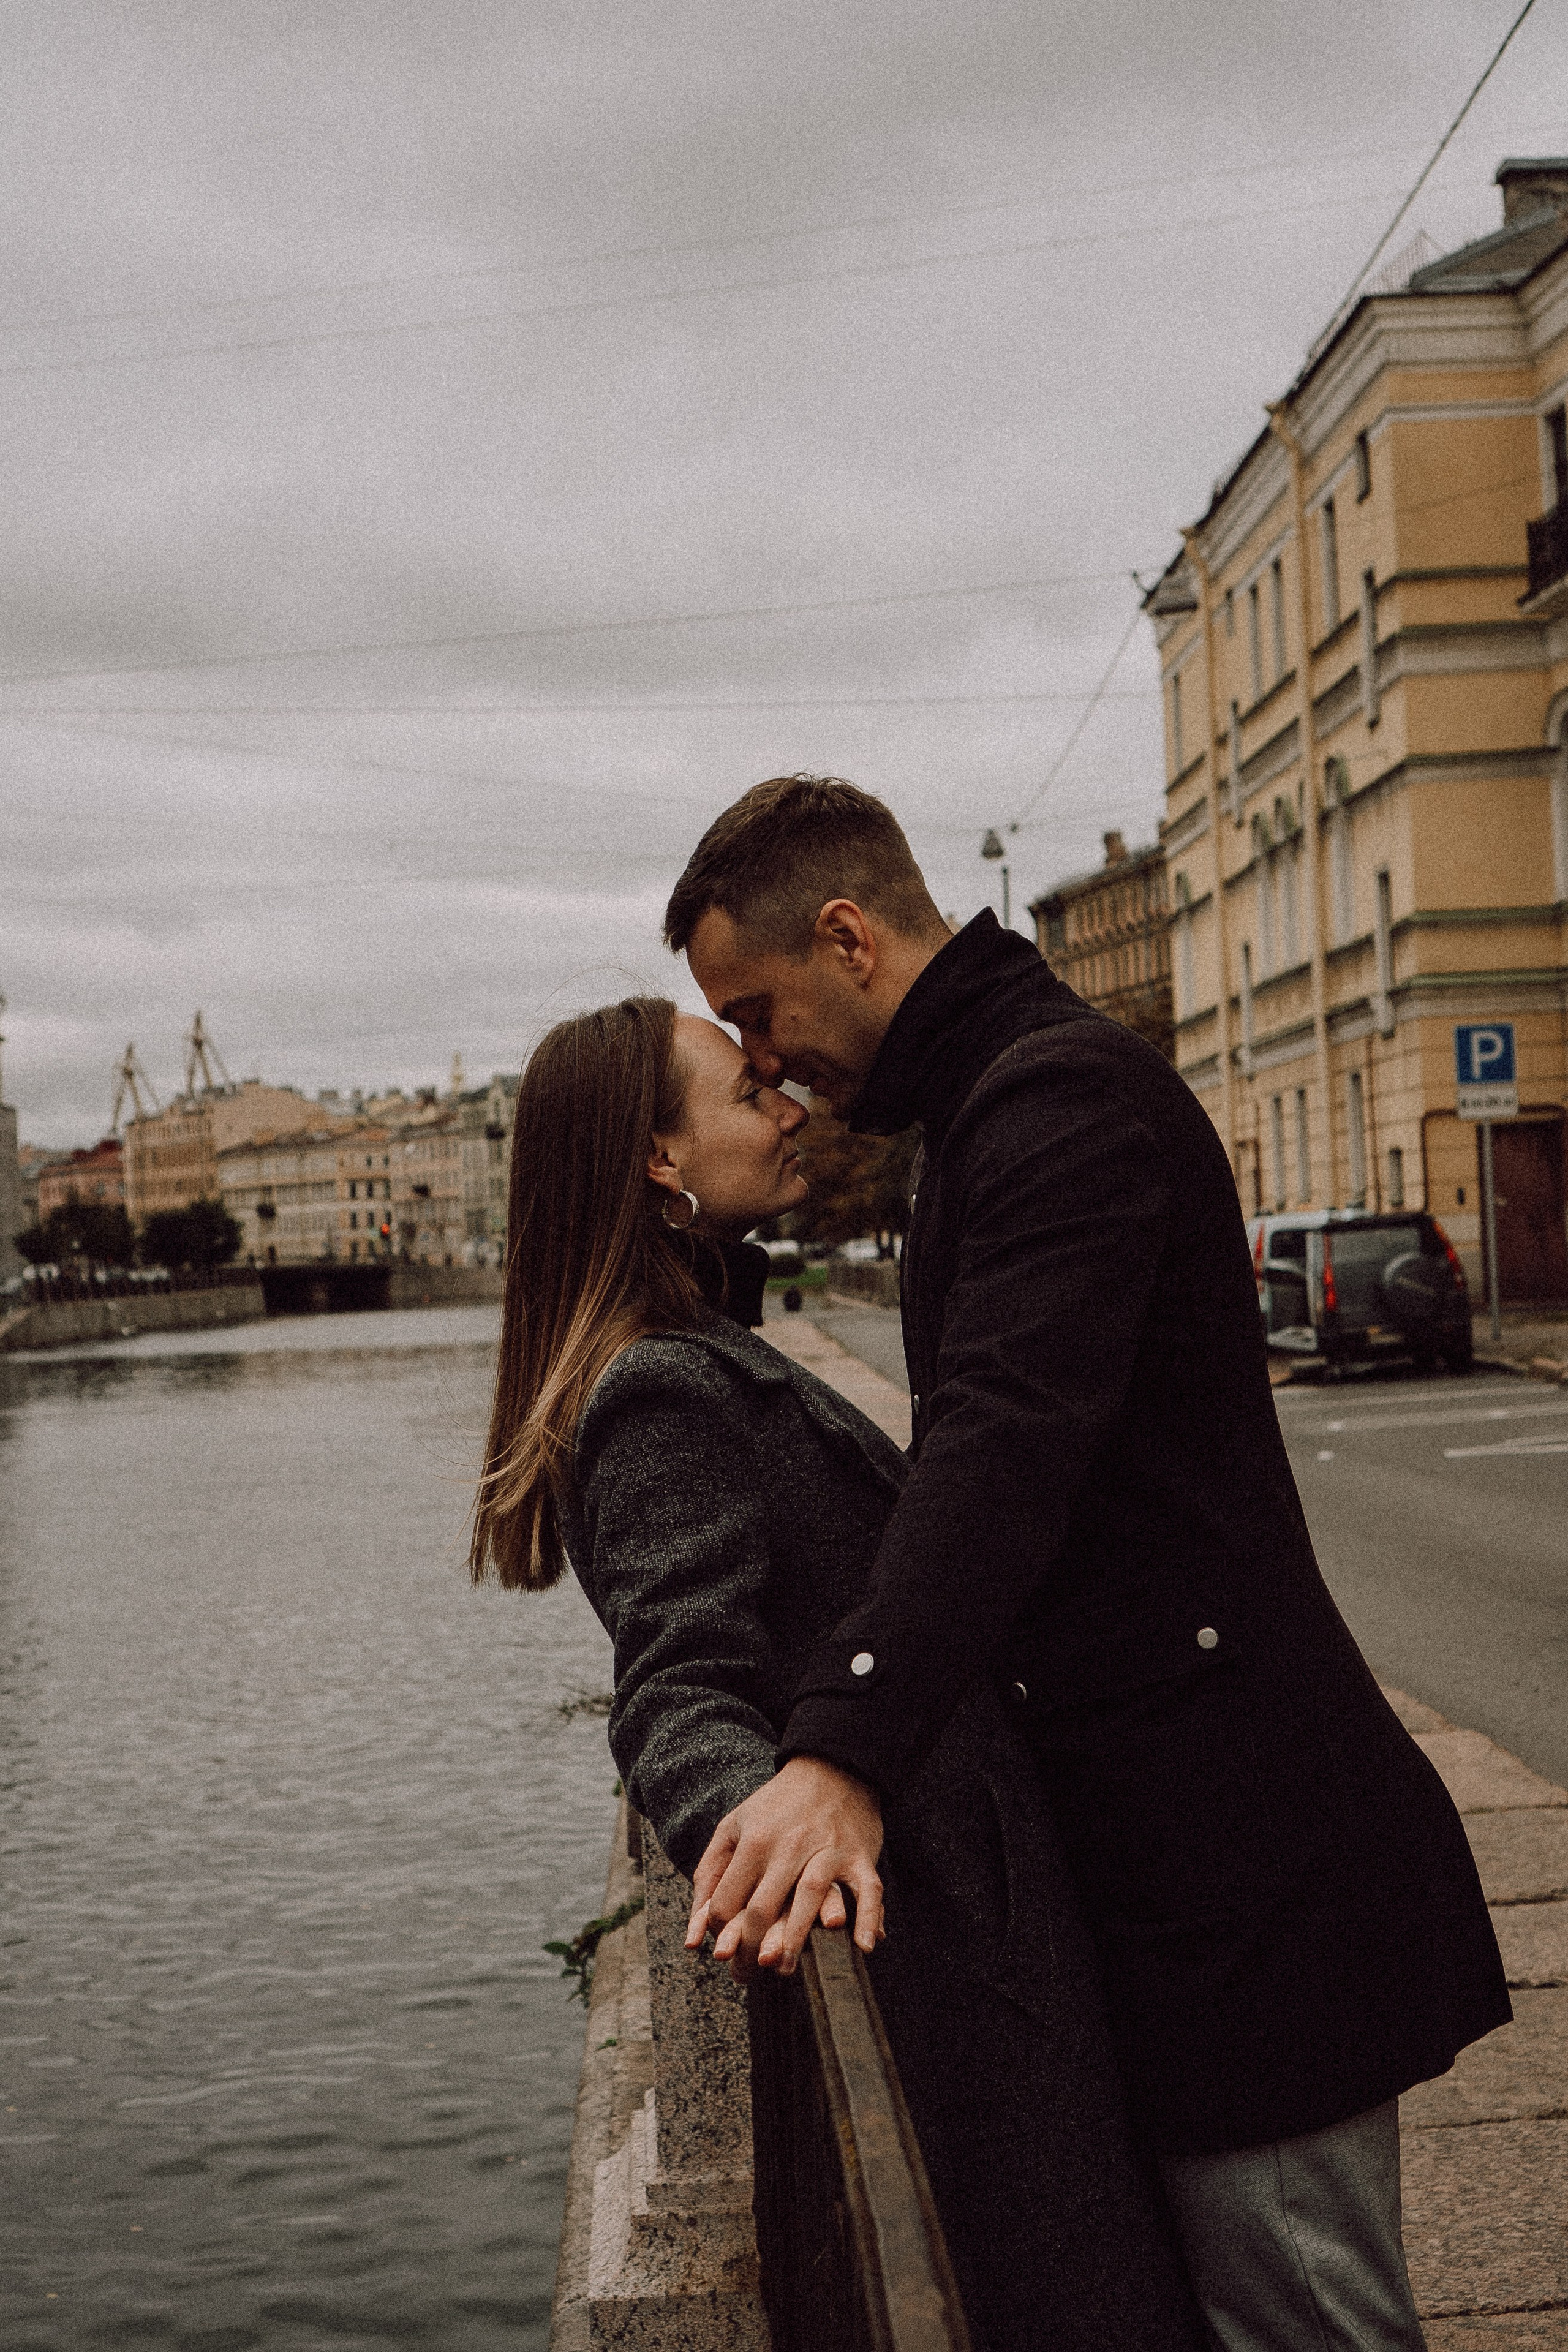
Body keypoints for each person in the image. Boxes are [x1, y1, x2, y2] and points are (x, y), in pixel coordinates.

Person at [662, 774, 1510, 2352]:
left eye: (754, 1009)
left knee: (1306, 2329)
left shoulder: (1055, 1102)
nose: (759, 1057)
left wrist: (842, 1745)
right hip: (1181, 1865)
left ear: (846, 935)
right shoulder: (995, 1102)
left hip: (1242, 1870)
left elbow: (1004, 1447)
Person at [470, 993, 1203, 2352]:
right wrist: (758, 1828)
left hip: (966, 1933)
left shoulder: (703, 1351)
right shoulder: (659, 1393)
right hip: (939, 1961)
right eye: (751, 1094)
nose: (791, 1107)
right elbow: (676, 1683)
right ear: (657, 1159)